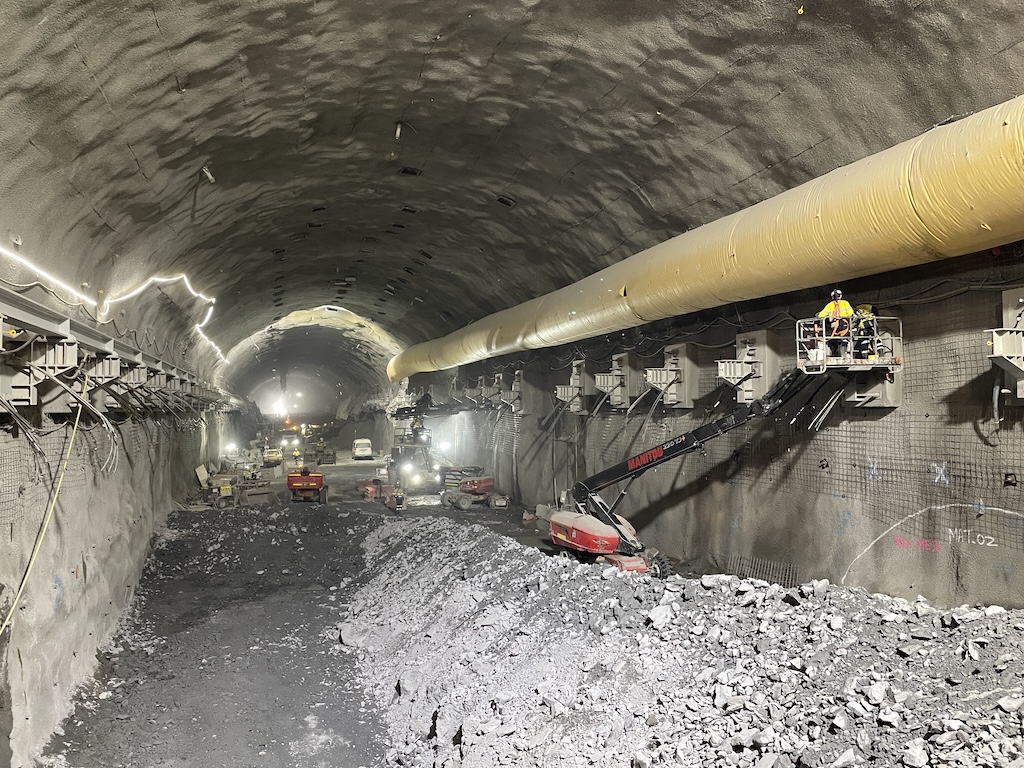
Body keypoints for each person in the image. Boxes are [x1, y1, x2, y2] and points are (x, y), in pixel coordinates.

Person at [817, 289, 854, 356]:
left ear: (832, 297)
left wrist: (817, 316)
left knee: (834, 339)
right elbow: (850, 313)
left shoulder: (829, 305)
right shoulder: (845, 303)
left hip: (833, 326)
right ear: (841, 296)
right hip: (843, 324)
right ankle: (843, 354)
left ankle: (834, 353)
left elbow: (821, 315)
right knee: (845, 338)